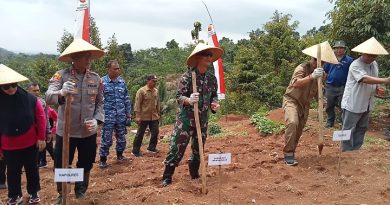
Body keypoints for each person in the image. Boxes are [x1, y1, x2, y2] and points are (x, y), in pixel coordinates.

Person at [45, 39, 104, 204]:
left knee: (85, 162)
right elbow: (48, 97)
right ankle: (63, 192)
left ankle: (80, 191)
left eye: (89, 57)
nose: (88, 60)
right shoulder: (61, 75)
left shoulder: (95, 78)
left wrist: (96, 120)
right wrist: (62, 92)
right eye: (85, 57)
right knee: (62, 163)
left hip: (88, 131)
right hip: (67, 131)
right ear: (75, 58)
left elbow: (100, 103)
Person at [161, 43, 223, 186]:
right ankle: (167, 176)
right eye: (205, 55)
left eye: (210, 55)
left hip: (202, 120)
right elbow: (179, 97)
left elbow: (214, 95)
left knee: (198, 147)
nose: (208, 57)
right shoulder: (187, 77)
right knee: (177, 146)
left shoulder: (212, 79)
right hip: (186, 120)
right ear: (198, 58)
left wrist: (214, 104)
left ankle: (194, 174)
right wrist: (188, 100)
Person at [282, 41, 338, 166]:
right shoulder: (301, 68)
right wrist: (311, 76)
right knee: (292, 123)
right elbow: (295, 83)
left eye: (322, 62)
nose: (316, 63)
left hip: (305, 105)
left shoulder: (322, 75)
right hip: (291, 100)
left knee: (299, 128)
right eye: (315, 60)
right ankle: (288, 153)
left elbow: (318, 90)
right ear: (311, 58)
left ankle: (292, 150)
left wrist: (322, 99)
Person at [0, 64, 46, 205]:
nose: (11, 89)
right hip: (8, 145)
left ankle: (33, 192)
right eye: (6, 87)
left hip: (30, 143)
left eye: (14, 85)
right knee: (13, 173)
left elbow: (41, 117)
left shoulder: (30, 99)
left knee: (32, 169)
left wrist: (41, 138)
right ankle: (15, 195)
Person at [341, 37, 390, 151]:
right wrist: (385, 80)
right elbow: (365, 79)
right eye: (369, 55)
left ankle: (357, 149)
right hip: (353, 102)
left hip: (367, 103)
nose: (372, 58)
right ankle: (346, 150)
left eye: (374, 56)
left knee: (362, 127)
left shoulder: (374, 64)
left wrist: (378, 88)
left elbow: (374, 79)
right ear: (362, 53)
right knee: (348, 128)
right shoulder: (355, 64)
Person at [99, 60, 132, 168]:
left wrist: (128, 114)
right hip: (108, 116)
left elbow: (126, 99)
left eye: (118, 68)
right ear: (109, 69)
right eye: (115, 69)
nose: (118, 70)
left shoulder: (122, 82)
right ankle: (103, 160)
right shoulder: (102, 82)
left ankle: (120, 155)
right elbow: (97, 100)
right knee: (106, 138)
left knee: (121, 137)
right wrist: (98, 116)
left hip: (121, 116)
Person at [323, 40, 354, 128]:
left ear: (344, 49)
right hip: (330, 86)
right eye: (337, 48)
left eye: (341, 48)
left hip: (343, 86)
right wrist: (323, 83)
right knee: (329, 105)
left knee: (343, 105)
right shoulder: (329, 59)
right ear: (334, 49)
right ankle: (330, 122)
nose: (339, 50)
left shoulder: (349, 60)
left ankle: (342, 123)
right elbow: (325, 72)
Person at [131, 74, 160, 157]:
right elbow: (137, 104)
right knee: (140, 134)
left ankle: (151, 148)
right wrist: (137, 116)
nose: (154, 83)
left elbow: (157, 103)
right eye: (153, 81)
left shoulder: (156, 91)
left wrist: (158, 113)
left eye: (155, 81)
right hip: (144, 116)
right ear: (148, 81)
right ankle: (135, 150)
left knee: (155, 132)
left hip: (154, 116)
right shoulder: (141, 91)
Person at [27, 82, 55, 168]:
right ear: (28, 91)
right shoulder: (23, 102)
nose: (36, 92)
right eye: (34, 91)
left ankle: (58, 162)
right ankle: (38, 163)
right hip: (28, 131)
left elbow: (46, 118)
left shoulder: (42, 102)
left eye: (37, 90)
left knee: (49, 147)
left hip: (41, 130)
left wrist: (48, 131)